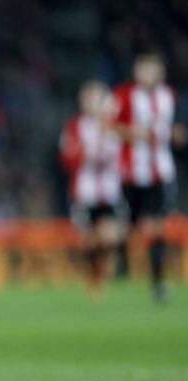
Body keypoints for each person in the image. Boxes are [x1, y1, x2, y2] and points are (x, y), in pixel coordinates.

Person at [109, 52, 185, 302]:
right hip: (130, 173)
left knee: (155, 226)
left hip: (160, 172)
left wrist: (176, 134)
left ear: (160, 72)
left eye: (152, 69)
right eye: (143, 69)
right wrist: (133, 133)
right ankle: (118, 273)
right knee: (125, 228)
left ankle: (157, 280)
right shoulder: (123, 94)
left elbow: (176, 128)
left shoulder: (169, 96)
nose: (148, 74)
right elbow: (109, 126)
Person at [59, 80, 122, 296]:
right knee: (89, 241)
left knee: (110, 236)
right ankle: (94, 276)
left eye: (98, 97)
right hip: (84, 191)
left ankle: (101, 274)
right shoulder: (75, 126)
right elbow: (66, 157)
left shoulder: (115, 125)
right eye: (89, 98)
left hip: (108, 190)